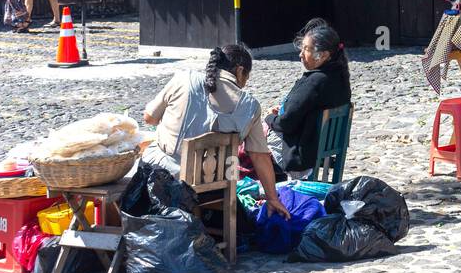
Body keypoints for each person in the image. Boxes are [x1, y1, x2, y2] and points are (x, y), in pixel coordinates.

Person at [142, 44, 290, 220]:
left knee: (144, 149)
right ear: (240, 71)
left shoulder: (184, 78)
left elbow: (149, 118)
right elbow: (260, 156)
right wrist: (273, 199)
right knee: (231, 167)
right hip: (216, 188)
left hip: (165, 179)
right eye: (247, 77)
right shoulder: (251, 106)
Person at [265, 18, 352, 178]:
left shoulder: (314, 82)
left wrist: (270, 118)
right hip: (319, 148)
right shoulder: (340, 77)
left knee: (255, 136)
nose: (300, 54)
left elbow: (286, 123)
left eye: (306, 49)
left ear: (323, 55)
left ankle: (270, 189)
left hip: (302, 154)